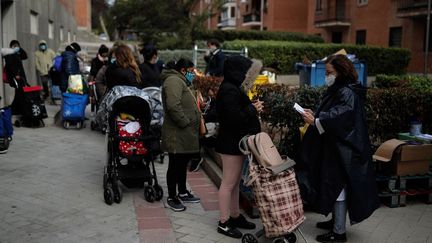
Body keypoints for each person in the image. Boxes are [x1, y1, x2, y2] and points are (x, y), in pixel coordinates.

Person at [297, 54, 379, 243]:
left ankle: (339, 232)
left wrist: (316, 120)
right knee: (334, 184)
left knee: (338, 187)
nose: (327, 76)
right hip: (339, 148)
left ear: (340, 72)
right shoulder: (342, 88)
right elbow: (335, 113)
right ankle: (336, 222)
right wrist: (315, 115)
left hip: (344, 151)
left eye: (329, 72)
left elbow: (340, 116)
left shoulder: (346, 92)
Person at [215, 55, 263, 239]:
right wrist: (253, 109)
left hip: (234, 142)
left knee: (234, 183)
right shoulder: (229, 90)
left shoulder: (232, 88)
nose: (246, 75)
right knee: (228, 184)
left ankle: (234, 216)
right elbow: (234, 118)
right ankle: (224, 222)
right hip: (230, 143)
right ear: (236, 71)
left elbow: (236, 113)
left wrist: (251, 107)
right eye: (244, 71)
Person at [160, 58, 201, 212]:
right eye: (191, 72)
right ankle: (172, 197)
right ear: (183, 70)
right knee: (175, 164)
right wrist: (185, 122)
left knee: (182, 163)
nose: (193, 75)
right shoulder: (173, 80)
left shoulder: (180, 80)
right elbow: (173, 105)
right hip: (177, 131)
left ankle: (182, 192)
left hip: (184, 132)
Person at [3, 40, 29, 116]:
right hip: (15, 77)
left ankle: (15, 109)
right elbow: (10, 65)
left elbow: (25, 56)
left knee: (19, 93)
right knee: (20, 92)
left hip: (21, 77)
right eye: (14, 46)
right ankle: (14, 109)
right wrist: (15, 74)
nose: (16, 47)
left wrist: (20, 49)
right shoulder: (9, 54)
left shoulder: (17, 54)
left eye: (17, 45)